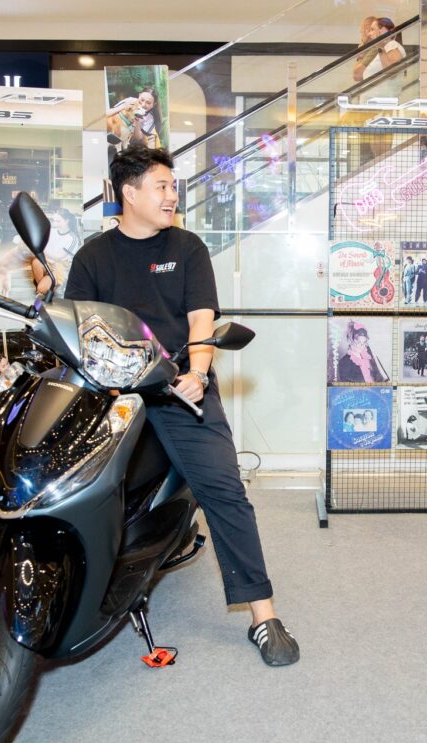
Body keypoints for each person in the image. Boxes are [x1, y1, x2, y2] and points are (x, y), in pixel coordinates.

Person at [65, 146, 299, 667]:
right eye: (162, 186)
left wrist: (197, 372)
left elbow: (201, 319)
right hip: (113, 392)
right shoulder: (93, 258)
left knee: (225, 488)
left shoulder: (187, 247)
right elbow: (80, 328)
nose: (172, 196)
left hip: (178, 387)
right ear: (129, 193)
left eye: (173, 187)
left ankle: (263, 615)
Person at [31, 207, 83, 297]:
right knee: (36, 262)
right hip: (48, 263)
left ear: (67, 221)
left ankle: (47, 288)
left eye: (58, 221)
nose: (55, 223)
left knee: (41, 288)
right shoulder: (52, 232)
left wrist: (41, 249)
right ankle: (46, 289)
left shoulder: (72, 238)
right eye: (54, 221)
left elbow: (58, 257)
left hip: (61, 267)